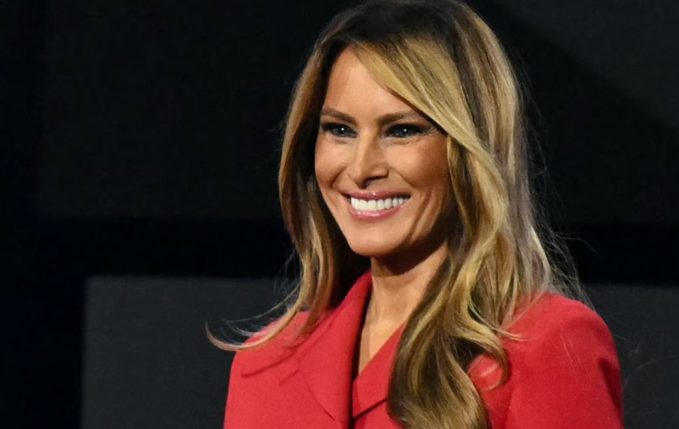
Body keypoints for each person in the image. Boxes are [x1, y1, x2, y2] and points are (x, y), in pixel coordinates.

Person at [215, 0, 622, 427]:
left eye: (402, 130)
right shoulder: (265, 364)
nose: (361, 168)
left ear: (468, 150)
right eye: (340, 130)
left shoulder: (545, 344)